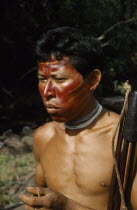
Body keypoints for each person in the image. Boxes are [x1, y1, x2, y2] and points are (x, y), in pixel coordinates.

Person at [20, 27, 137, 210]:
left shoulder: (124, 140)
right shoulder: (43, 137)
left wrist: (65, 205)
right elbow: (38, 200)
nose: (47, 92)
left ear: (92, 81)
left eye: (59, 79)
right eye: (42, 79)